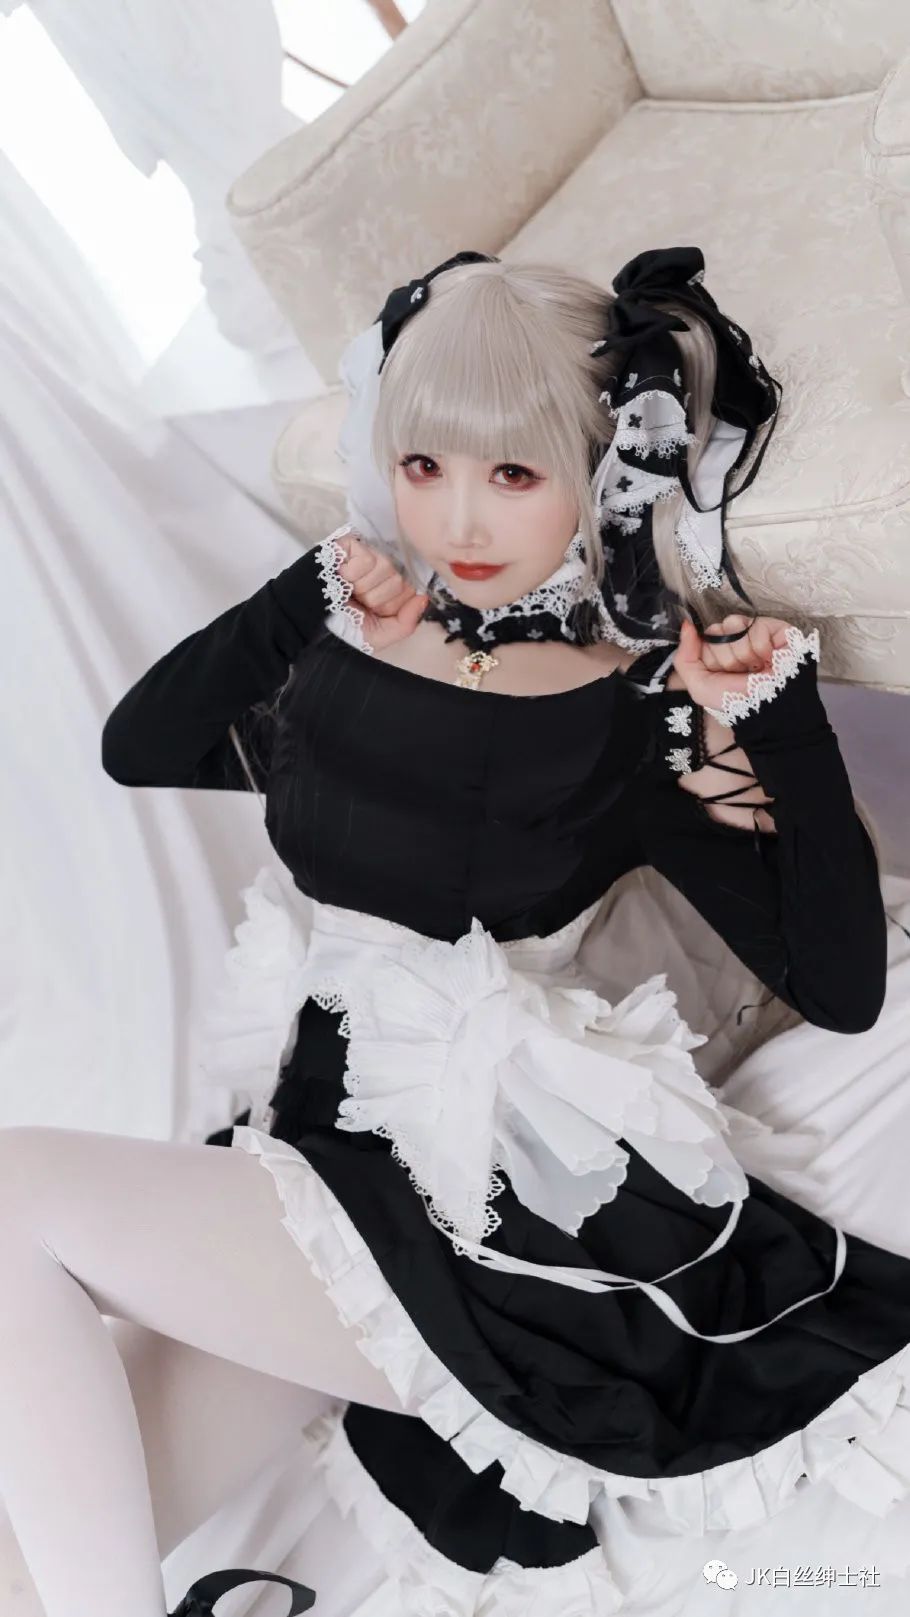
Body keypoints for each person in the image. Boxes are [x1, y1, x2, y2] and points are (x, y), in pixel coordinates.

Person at [5, 245, 909, 1617]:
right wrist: (293, 603)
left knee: (10, 1190)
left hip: (473, 1207)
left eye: (513, 473)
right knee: (29, 1548)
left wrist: (783, 732)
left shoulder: (627, 714)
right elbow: (144, 745)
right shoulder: (351, 640)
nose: (461, 517)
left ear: (595, 474)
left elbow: (836, 986)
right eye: (424, 466)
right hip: (312, 1153)